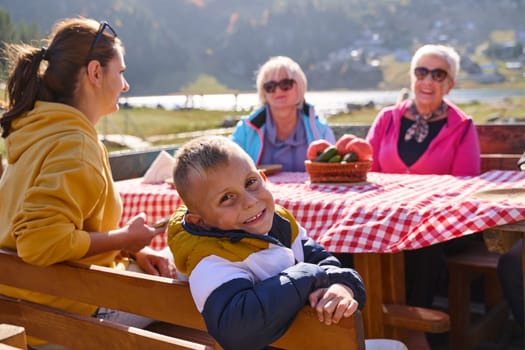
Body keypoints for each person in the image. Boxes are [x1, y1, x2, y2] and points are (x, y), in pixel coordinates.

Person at [0, 17, 176, 346]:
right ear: (95, 73)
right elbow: (38, 241)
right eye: (120, 73)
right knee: (203, 271)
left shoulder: (35, 129)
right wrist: (124, 235)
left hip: (18, 307)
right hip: (64, 315)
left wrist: (128, 249)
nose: (125, 85)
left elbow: (52, 228)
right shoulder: (76, 145)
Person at [167, 135, 366, 350]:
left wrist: (342, 286)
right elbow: (236, 328)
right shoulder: (210, 260)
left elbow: (322, 261)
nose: (250, 202)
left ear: (263, 177)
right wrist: (309, 276)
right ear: (201, 222)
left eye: (250, 182)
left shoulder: (280, 223)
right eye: (226, 198)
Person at [366, 44, 481, 312]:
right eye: (421, 72)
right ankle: (365, 322)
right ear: (413, 77)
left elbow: (466, 186)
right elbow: (366, 169)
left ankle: (415, 328)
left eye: (438, 75)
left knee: (424, 243)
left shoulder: (462, 126)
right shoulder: (387, 119)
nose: (428, 80)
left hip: (438, 221)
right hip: (387, 215)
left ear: (450, 85)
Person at [231, 56, 335, 172]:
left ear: (300, 87)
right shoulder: (246, 129)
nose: (278, 91)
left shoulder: (321, 130)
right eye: (270, 86)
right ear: (264, 93)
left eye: (285, 84)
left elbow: (333, 169)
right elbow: (229, 164)